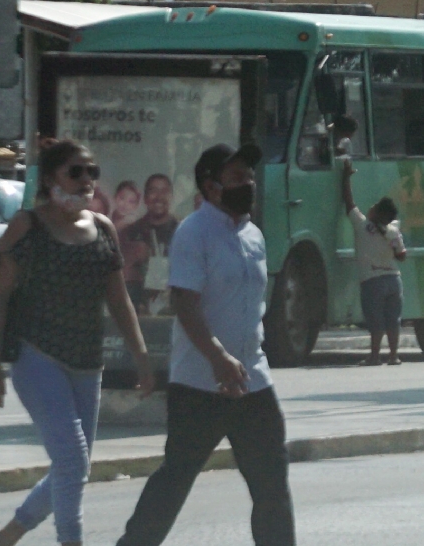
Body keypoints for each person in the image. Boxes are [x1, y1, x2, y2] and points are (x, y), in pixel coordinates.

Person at [0, 140, 155, 546]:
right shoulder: (28, 226)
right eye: (76, 171)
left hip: (88, 364)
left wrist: (141, 356)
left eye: (91, 171)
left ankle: (5, 538)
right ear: (51, 177)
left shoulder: (103, 228)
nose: (86, 180)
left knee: (73, 467)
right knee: (72, 462)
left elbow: (118, 298)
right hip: (38, 358)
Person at [114, 142, 295, 546]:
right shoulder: (194, 232)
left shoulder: (253, 235)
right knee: (175, 478)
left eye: (249, 176)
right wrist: (218, 358)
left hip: (253, 381)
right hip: (199, 384)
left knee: (272, 486)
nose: (248, 183)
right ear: (212, 187)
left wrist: (241, 361)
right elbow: (185, 303)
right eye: (237, 178)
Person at [340, 161, 406, 365]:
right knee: (393, 320)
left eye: (375, 206)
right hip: (394, 280)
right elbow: (401, 256)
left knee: (375, 321)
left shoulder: (362, 225)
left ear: (377, 213)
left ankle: (375, 356)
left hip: (372, 281)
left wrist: (346, 178)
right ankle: (394, 355)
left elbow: (349, 203)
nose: (371, 206)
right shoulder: (393, 231)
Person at [122, 174, 179, 315]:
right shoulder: (131, 232)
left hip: (176, 311)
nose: (159, 197)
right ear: (145, 198)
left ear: (171, 197)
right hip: (139, 312)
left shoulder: (183, 231)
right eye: (153, 191)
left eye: (164, 191)